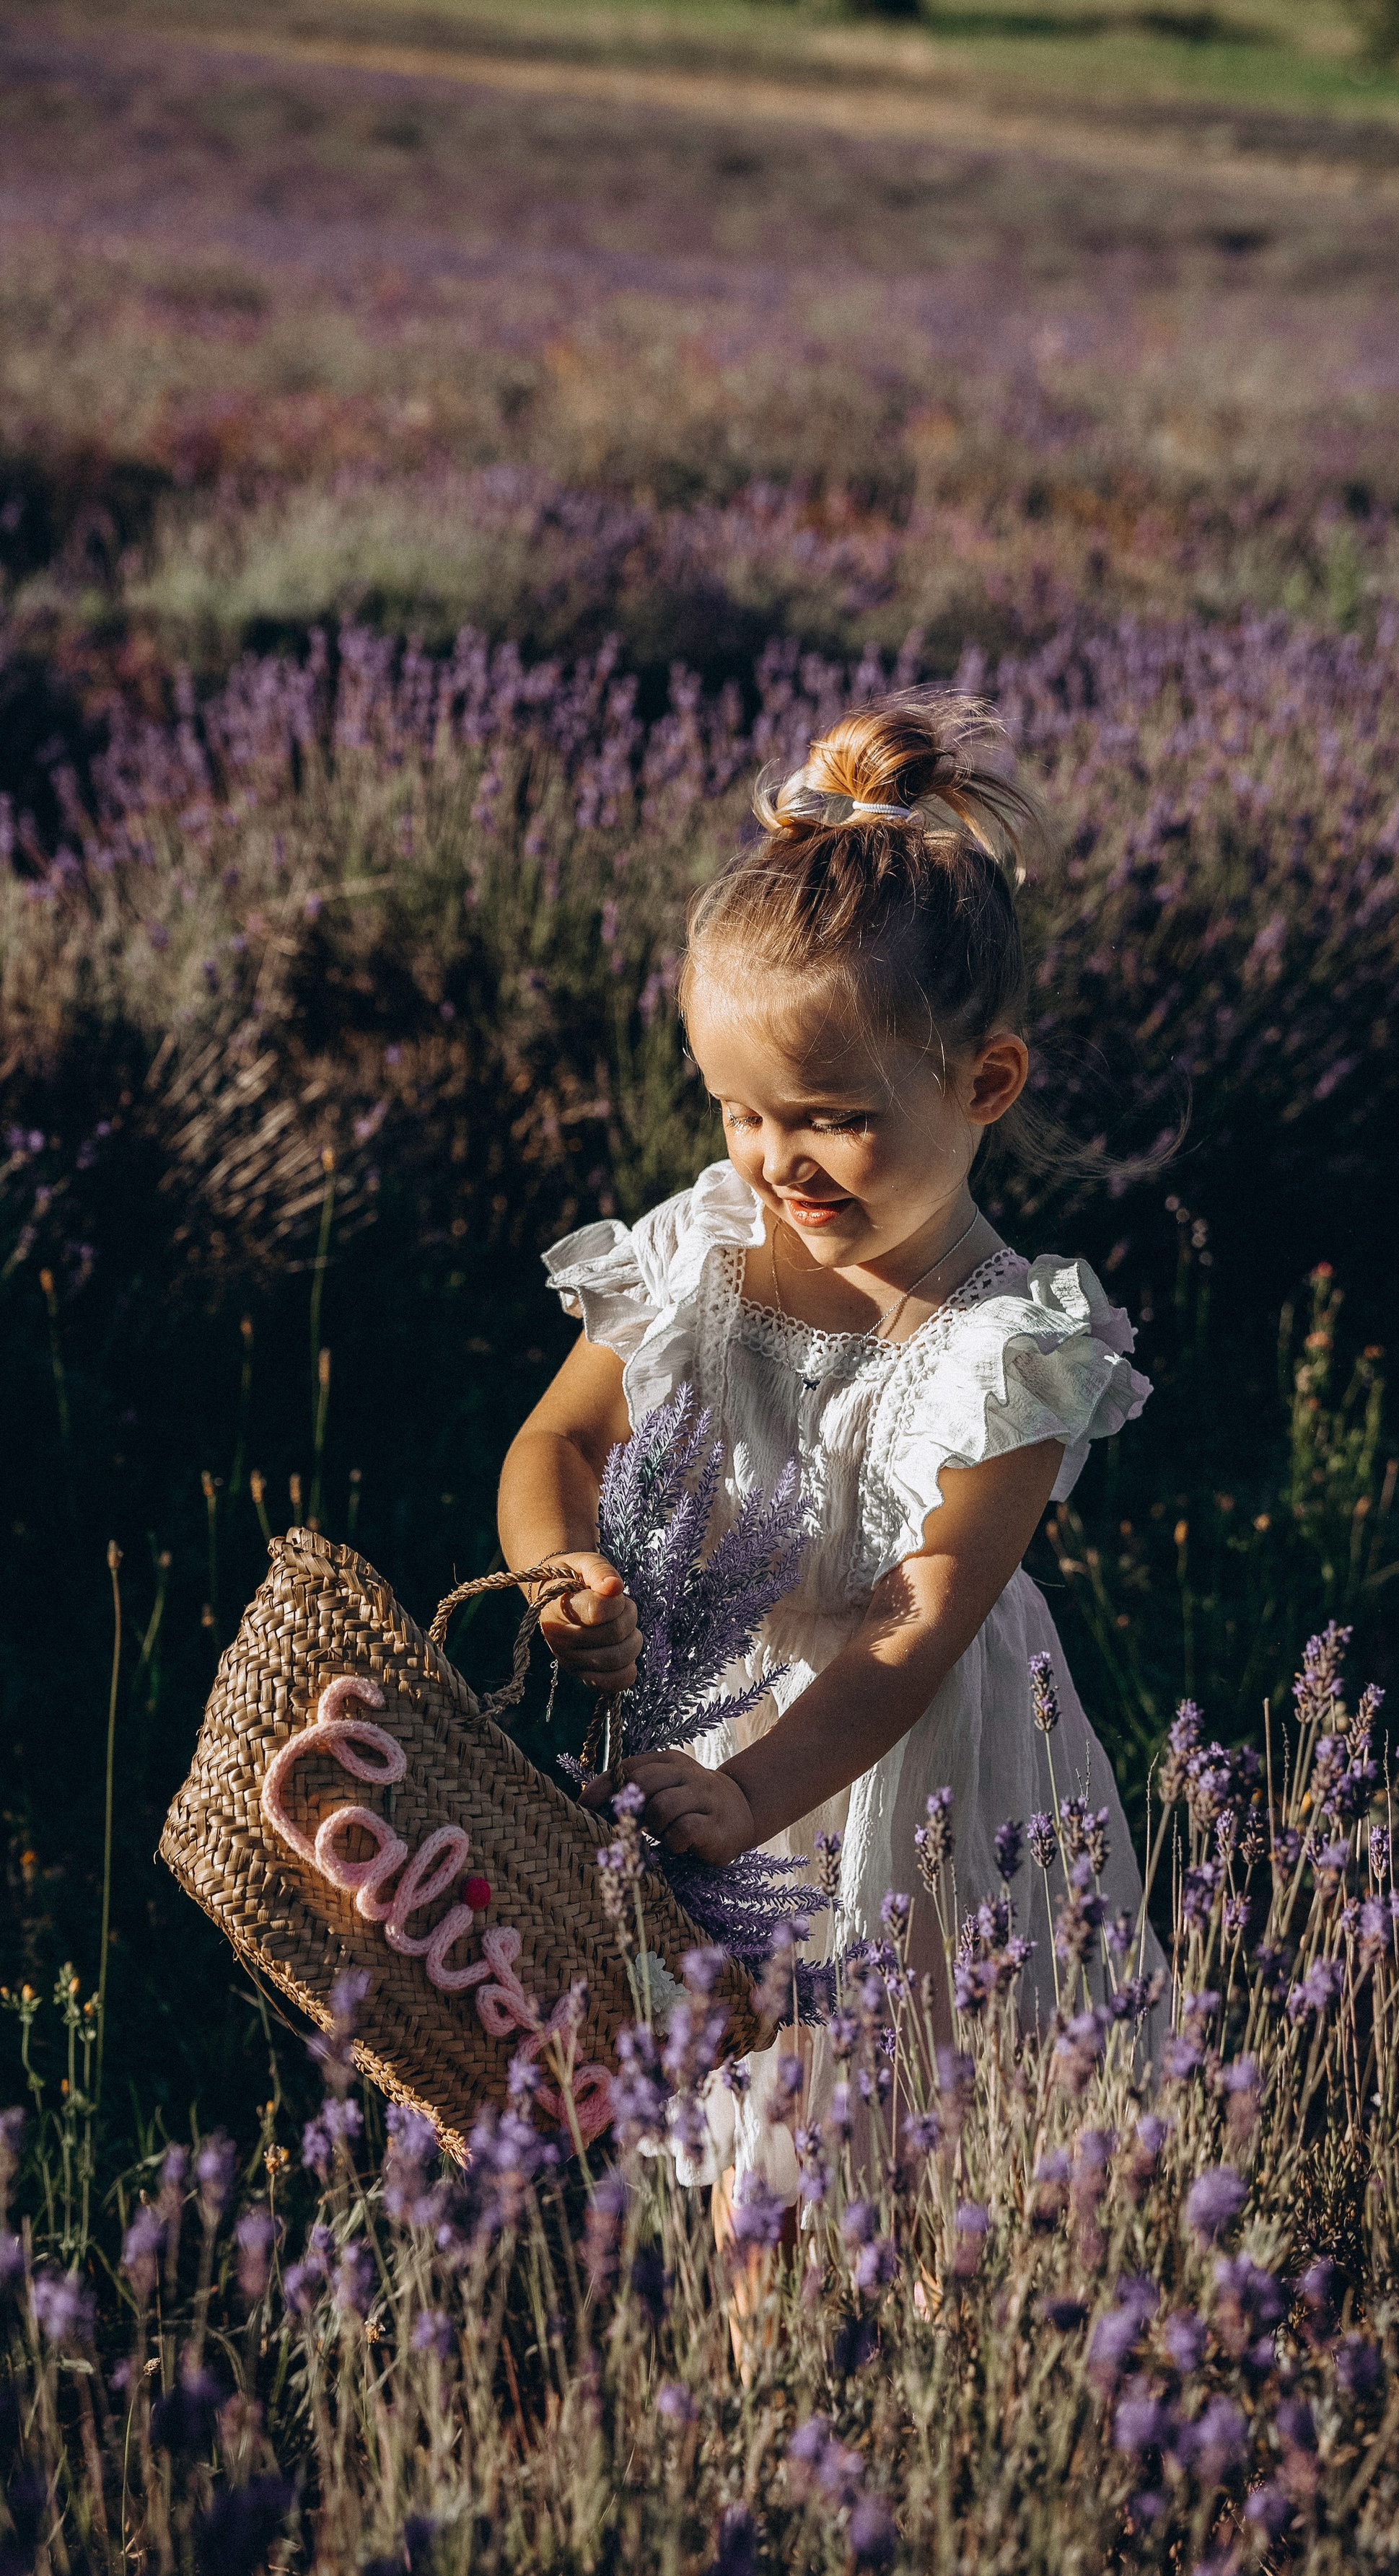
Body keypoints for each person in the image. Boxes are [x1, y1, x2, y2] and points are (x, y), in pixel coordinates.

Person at [496, 687, 1149, 2208]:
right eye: (736, 1111)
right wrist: (562, 1568)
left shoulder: (1009, 1345)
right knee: (754, 2174)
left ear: (983, 1084)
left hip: (910, 1781)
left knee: (937, 2152)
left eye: (829, 1119)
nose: (773, 1160)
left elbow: (918, 1627)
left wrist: (759, 1798)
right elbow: (559, 1438)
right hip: (718, 1729)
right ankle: (760, 2428)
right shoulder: (705, 1250)